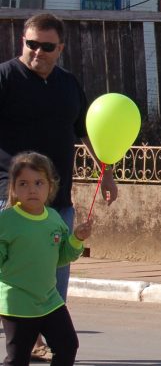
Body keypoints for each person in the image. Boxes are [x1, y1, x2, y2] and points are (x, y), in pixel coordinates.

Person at [0, 13, 117, 362]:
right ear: (22, 42)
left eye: (46, 46)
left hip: (57, 201)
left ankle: (38, 338)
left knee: (54, 272)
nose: (38, 51)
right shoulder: (5, 78)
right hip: (9, 197)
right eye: (31, 44)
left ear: (60, 48)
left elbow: (87, 132)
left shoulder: (68, 84)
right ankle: (22, 338)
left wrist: (106, 173)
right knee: (14, 270)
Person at [0, 152, 92, 366]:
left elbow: (62, 258)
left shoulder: (54, 218)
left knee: (67, 346)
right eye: (23, 183)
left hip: (49, 300)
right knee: (17, 359)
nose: (32, 189)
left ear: (50, 187)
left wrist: (76, 239)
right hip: (18, 302)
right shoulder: (7, 221)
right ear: (14, 188)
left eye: (39, 183)